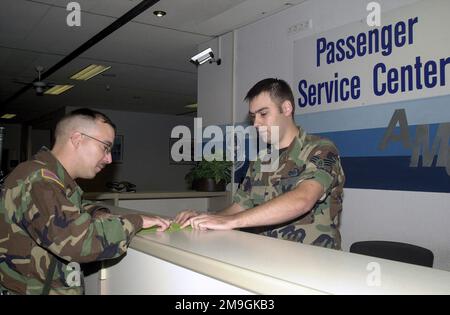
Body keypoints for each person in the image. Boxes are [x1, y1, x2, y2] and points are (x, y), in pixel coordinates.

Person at [0, 108, 170, 295]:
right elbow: (77, 243)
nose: (109, 158)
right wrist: (137, 221)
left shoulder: (48, 177)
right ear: (77, 139)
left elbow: (68, 209)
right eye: (105, 147)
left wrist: (98, 211)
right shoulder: (39, 182)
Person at [175, 78, 345, 249]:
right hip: (264, 259)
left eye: (263, 114)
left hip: (312, 264)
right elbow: (240, 206)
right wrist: (204, 219)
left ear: (286, 108)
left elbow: (303, 199)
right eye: (253, 116)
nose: (256, 123)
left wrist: (231, 222)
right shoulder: (262, 159)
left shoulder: (320, 149)